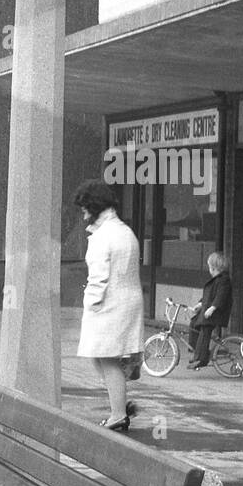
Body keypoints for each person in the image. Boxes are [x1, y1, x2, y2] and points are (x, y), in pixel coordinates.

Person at [73, 179, 144, 431]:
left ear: (93, 206)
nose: (82, 213)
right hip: (128, 301)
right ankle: (120, 404)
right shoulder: (125, 231)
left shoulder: (102, 236)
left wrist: (90, 305)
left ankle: (118, 414)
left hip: (108, 305)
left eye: (84, 208)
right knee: (103, 356)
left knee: (106, 358)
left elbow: (98, 276)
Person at [187, 251, 232, 370]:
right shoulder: (216, 279)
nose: (209, 269)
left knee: (205, 330)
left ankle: (201, 359)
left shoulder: (224, 280)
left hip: (216, 313)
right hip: (208, 311)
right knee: (193, 324)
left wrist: (212, 308)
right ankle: (198, 352)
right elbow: (208, 295)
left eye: (209, 267)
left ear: (213, 267)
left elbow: (220, 297)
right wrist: (200, 304)